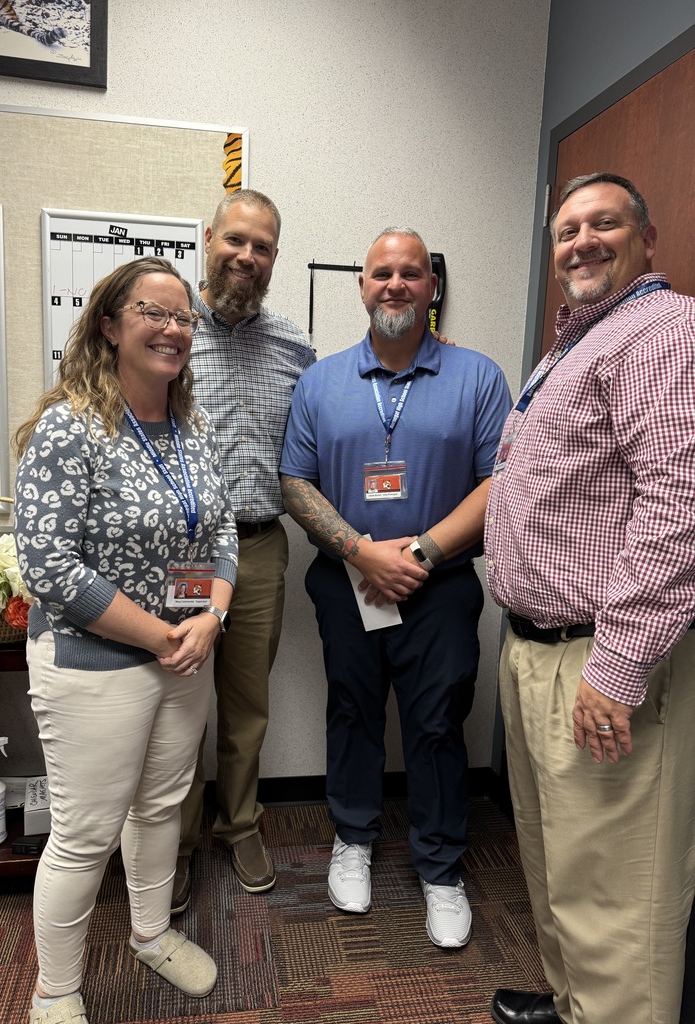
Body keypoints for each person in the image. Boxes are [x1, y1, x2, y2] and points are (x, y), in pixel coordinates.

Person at [485, 173, 695, 1024]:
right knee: (557, 860)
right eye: (566, 229)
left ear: (649, 240)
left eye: (603, 223)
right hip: (539, 647)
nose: (580, 241)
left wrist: (617, 666)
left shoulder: (662, 331)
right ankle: (575, 1005)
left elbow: (679, 502)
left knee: (615, 887)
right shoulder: (575, 343)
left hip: (601, 657)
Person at [14, 257, 238, 1024]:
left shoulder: (192, 428)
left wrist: (212, 616)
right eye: (155, 313)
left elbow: (226, 531)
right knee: (84, 835)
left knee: (161, 807)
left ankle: (150, 934)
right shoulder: (69, 426)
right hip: (96, 663)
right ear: (110, 325)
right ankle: (56, 992)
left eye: (185, 319)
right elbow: (48, 563)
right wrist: (160, 636)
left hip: (185, 653)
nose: (174, 330)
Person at [279, 227, 511, 947]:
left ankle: (440, 868)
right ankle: (354, 837)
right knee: (352, 709)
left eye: (411, 273)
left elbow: (498, 483)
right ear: (361, 284)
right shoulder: (320, 381)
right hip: (346, 580)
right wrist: (361, 553)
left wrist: (420, 550)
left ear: (431, 287)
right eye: (382, 273)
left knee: (438, 721)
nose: (395, 285)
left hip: (439, 584)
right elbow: (295, 480)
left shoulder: (478, 377)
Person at [172, 190, 315, 912]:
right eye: (236, 240)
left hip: (259, 548)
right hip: (175, 554)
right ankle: (177, 839)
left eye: (261, 247)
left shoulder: (294, 345)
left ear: (274, 258)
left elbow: (312, 453)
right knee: (175, 703)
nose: (246, 257)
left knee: (245, 703)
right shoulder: (165, 330)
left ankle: (239, 824)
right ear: (208, 239)